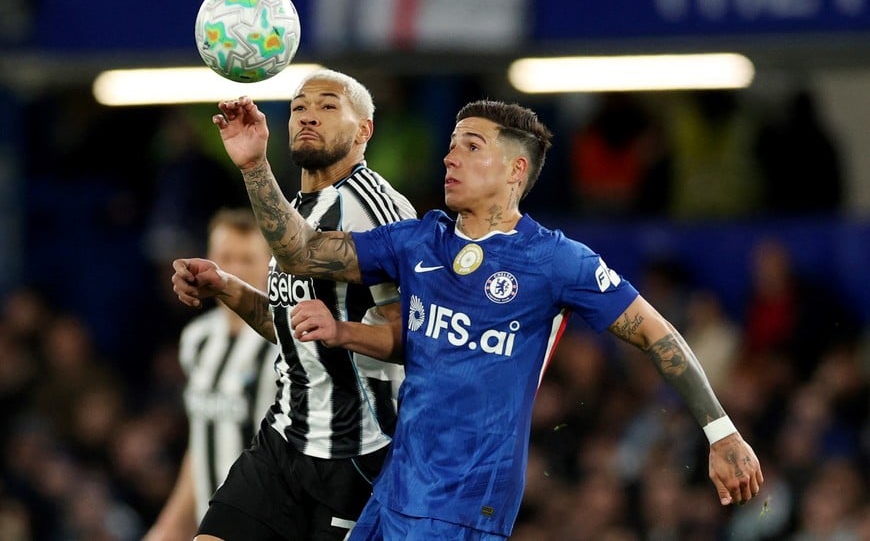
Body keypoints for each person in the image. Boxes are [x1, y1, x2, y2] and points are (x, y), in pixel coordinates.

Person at [176, 95, 763, 539]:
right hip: (397, 484)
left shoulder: (556, 261)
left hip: (467, 498)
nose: (449, 156)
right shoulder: (419, 241)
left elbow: (657, 334)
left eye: (471, 146)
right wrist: (255, 165)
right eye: (452, 143)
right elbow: (303, 251)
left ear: (514, 171)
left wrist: (721, 431)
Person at [169, 69, 417, 540]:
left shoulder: (378, 209)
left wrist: (253, 167)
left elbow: (412, 336)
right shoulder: (298, 206)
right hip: (283, 439)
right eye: (300, 106)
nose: (308, 116)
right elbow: (287, 324)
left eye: (327, 107)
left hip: (355, 455)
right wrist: (225, 286)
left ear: (364, 130)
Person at [144, 207, 277, 541]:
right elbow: (201, 444)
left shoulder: (284, 346)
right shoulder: (197, 340)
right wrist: (167, 529)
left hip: (269, 523)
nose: (233, 270)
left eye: (247, 259)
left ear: (270, 266)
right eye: (225, 257)